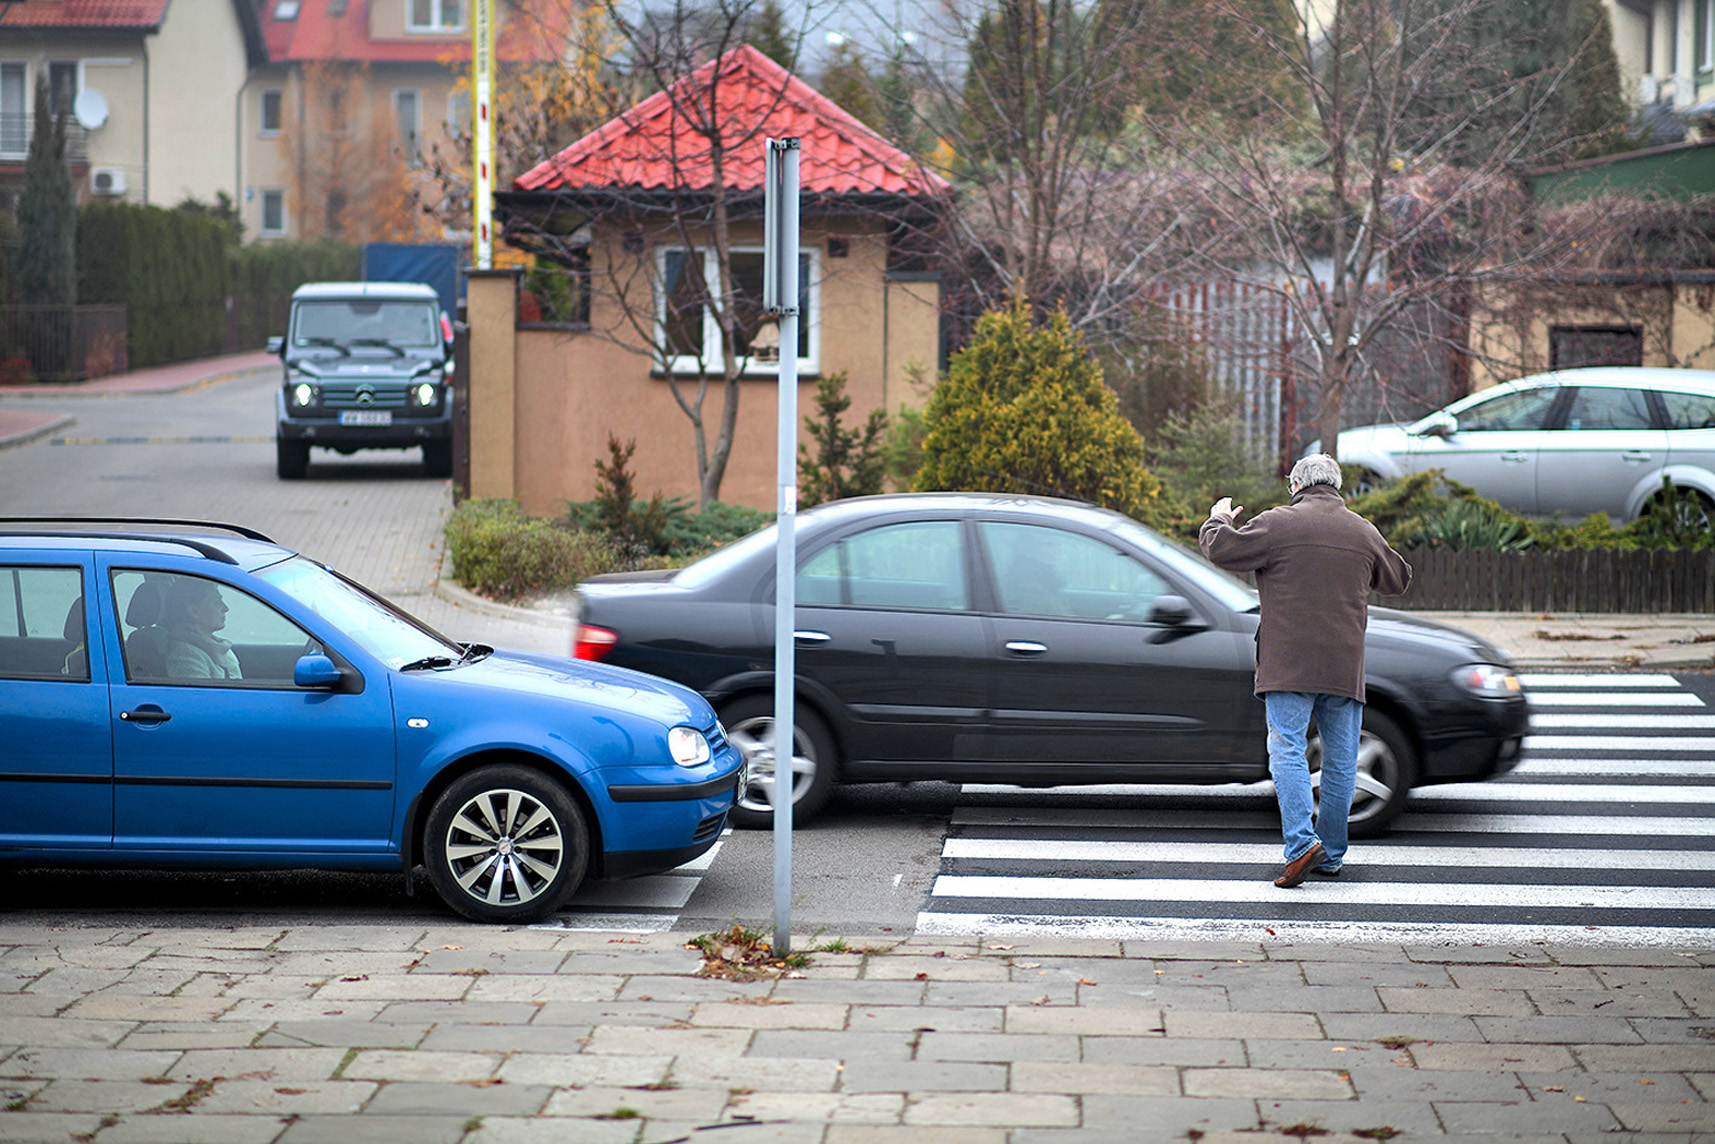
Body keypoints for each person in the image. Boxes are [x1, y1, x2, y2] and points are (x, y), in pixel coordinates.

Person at [1198, 453, 1411, 887]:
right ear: (1337, 486)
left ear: (1295, 486)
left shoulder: (1278, 523)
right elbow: (1398, 578)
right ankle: (1330, 853)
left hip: (1288, 662)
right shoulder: (1362, 530)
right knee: (1341, 761)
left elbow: (1221, 548)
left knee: (1288, 749)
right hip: (1343, 664)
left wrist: (1218, 518)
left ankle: (1300, 845)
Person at [162, 578, 243, 680]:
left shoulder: (219, 646)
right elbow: (197, 691)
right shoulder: (185, 655)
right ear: (194, 611)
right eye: (217, 602)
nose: (226, 608)